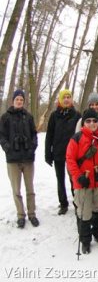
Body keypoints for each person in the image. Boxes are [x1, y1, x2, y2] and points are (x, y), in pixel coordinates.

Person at [66, 109, 98, 254]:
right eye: (88, 121)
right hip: (83, 182)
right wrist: (79, 177)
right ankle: (85, 240)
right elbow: (70, 160)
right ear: (83, 123)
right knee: (84, 212)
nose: (92, 123)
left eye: (94, 121)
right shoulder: (76, 139)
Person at [0, 90, 39, 229]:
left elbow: (34, 134)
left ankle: (32, 213)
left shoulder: (28, 117)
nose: (19, 102)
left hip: (28, 158)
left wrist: (32, 147)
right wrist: (7, 147)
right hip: (13, 160)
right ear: (13, 101)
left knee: (30, 189)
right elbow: (2, 136)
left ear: (23, 102)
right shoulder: (5, 117)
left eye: (21, 100)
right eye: (17, 99)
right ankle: (20, 215)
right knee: (16, 190)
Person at [45, 89, 81, 215]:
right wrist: (48, 153)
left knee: (74, 178)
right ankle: (63, 203)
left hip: (73, 153)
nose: (66, 99)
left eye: (68, 97)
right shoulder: (54, 116)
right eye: (64, 97)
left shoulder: (77, 115)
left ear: (71, 99)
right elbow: (49, 134)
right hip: (58, 152)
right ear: (60, 99)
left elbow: (81, 134)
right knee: (60, 179)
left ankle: (77, 202)